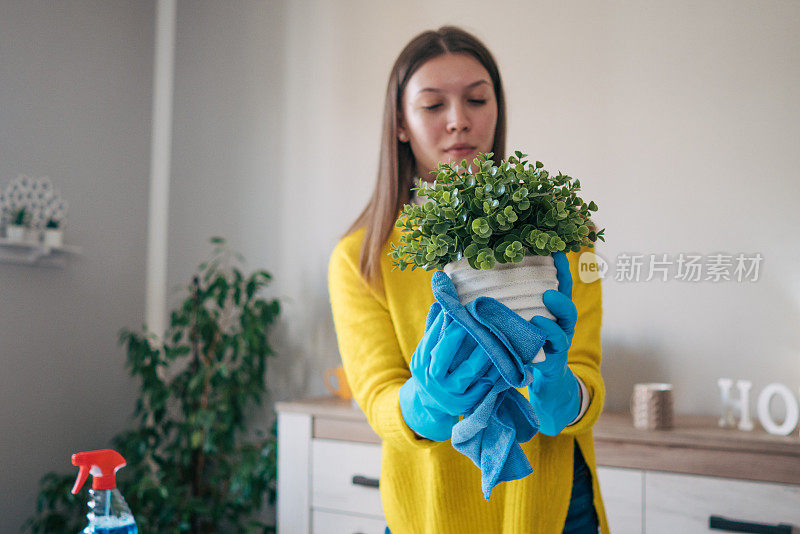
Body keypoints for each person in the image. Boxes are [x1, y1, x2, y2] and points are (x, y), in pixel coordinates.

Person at [327, 25, 608, 534]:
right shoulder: (361, 259)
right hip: (429, 514)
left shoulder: (562, 236)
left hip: (553, 509)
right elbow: (380, 400)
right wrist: (426, 402)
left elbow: (586, 370)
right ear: (401, 124)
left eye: (477, 99)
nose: (459, 121)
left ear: (497, 109)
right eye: (433, 106)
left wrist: (565, 393)